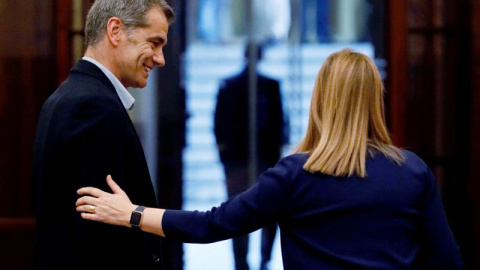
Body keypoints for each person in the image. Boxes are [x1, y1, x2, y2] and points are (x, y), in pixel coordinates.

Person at [75, 49, 464, 269]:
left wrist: (132, 213)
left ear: (321, 100)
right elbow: (448, 262)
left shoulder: (296, 174)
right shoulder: (412, 172)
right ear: (374, 101)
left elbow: (214, 224)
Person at [32, 1, 174, 269]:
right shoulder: (92, 106)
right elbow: (98, 234)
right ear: (116, 30)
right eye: (154, 43)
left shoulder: (71, 95)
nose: (160, 58)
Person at [214, 43, 286, 270]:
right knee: (240, 211)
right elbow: (220, 126)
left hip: (260, 160)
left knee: (258, 211)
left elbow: (279, 124)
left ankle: (256, 259)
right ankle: (245, 261)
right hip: (241, 161)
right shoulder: (232, 86)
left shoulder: (269, 86)